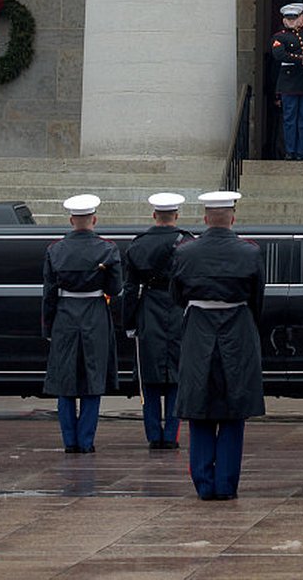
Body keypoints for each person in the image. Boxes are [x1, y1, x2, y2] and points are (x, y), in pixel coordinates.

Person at [169, 190, 265, 500]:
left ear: (206, 218)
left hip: (199, 328)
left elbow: (176, 295)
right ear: (232, 218)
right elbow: (257, 298)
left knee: (200, 410)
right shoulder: (249, 252)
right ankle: (226, 484)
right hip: (237, 328)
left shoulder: (185, 252)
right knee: (233, 412)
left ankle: (204, 483)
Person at [42, 193, 123, 454]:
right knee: (92, 378)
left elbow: (49, 293)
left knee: (65, 382)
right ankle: (86, 441)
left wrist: (48, 327)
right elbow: (116, 287)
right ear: (94, 219)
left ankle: (70, 441)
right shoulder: (108, 249)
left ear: (71, 220)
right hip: (95, 313)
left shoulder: (55, 249)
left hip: (65, 314)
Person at [123, 192, 191, 451]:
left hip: (148, 308)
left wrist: (129, 322)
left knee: (148, 377)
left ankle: (154, 434)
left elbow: (130, 289)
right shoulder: (186, 242)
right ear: (176, 215)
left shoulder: (138, 244)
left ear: (154, 215)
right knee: (175, 374)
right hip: (177, 307)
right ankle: (171, 434)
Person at [271, 2, 303, 160]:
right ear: (284, 20)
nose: (291, 21)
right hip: (288, 83)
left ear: (299, 19)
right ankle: (290, 151)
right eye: (288, 19)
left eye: (294, 18)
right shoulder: (279, 37)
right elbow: (279, 55)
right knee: (290, 120)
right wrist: (301, 58)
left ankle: (302, 152)